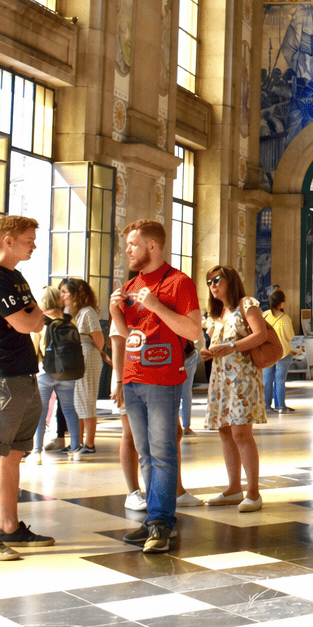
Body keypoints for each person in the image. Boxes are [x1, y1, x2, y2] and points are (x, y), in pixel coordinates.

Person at [110, 220, 204, 553]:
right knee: (146, 454)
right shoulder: (132, 283)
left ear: (152, 246)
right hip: (133, 378)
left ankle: (163, 523)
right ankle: (153, 520)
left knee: (163, 453)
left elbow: (193, 332)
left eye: (133, 245)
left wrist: (155, 306)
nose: (128, 251)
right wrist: (114, 311)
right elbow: (126, 334)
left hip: (163, 379)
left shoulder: (179, 282)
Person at [0, 215, 54, 560]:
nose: (33, 244)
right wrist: (34, 315)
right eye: (28, 239)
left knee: (14, 453)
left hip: (22, 374)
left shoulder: (15, 277)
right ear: (8, 241)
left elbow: (36, 317)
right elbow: (28, 322)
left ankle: (10, 526)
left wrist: (34, 315)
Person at [201, 266, 269, 510]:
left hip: (242, 378)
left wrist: (232, 347)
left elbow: (260, 335)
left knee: (241, 433)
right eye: (209, 282)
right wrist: (210, 352)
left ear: (230, 280)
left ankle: (253, 492)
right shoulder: (217, 313)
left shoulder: (246, 304)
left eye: (217, 280)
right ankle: (233, 488)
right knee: (225, 432)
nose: (213, 285)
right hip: (221, 380)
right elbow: (220, 343)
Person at [29, 286, 81, 462]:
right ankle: (75, 449)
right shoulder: (70, 321)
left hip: (46, 372)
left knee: (41, 412)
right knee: (69, 410)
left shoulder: (41, 321)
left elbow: (34, 349)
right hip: (68, 373)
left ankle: (36, 452)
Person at [60, 278, 107, 453]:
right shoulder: (73, 313)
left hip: (87, 355)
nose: (62, 296)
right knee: (77, 402)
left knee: (86, 400)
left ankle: (89, 444)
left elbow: (99, 340)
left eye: (65, 292)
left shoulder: (88, 312)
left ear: (77, 294)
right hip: (76, 357)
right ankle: (76, 442)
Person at [263, 287, 296, 414]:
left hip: (267, 353)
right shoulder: (285, 318)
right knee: (280, 381)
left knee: (267, 381)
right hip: (283, 353)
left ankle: (266, 406)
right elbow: (290, 336)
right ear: (280, 303)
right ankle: (280, 406)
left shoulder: (264, 316)